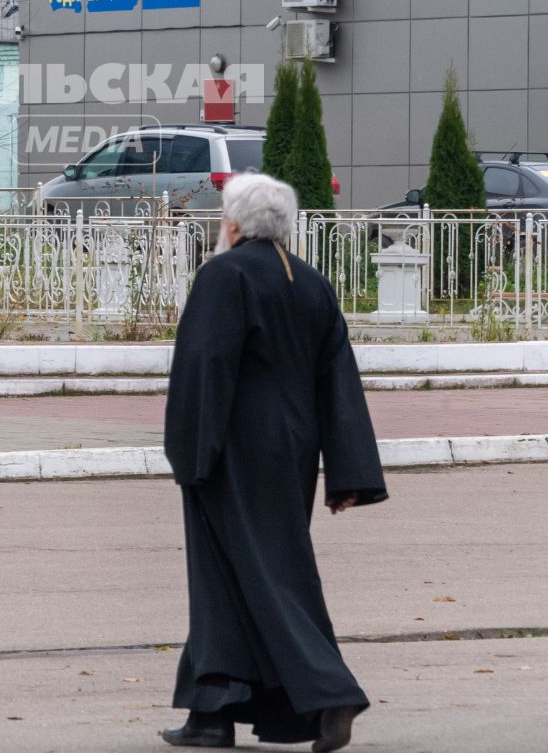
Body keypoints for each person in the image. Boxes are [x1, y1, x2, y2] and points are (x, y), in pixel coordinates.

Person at [161, 174, 388, 751]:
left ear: (233, 223)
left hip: (231, 448)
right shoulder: (309, 280)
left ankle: (330, 690)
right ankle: (212, 711)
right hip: (291, 452)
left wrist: (189, 452)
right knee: (237, 574)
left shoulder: (224, 274)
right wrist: (347, 472)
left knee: (263, 574)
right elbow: (339, 378)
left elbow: (204, 368)